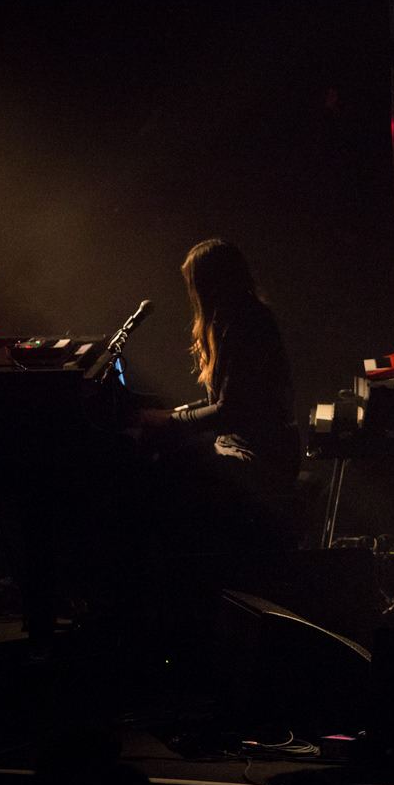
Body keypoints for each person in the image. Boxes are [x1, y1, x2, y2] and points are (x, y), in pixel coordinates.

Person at [134, 238, 301, 570]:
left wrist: (168, 421)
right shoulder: (232, 323)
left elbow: (230, 411)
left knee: (168, 471)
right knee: (169, 459)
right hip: (244, 444)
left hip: (264, 455)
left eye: (193, 284)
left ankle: (187, 572)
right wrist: (174, 414)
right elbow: (221, 401)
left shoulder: (248, 326)